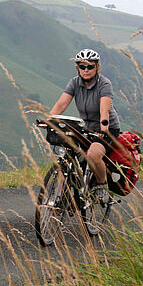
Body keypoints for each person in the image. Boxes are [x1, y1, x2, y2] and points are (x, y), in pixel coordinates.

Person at [48, 48, 120, 203]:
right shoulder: (74, 83)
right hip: (85, 126)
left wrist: (103, 129)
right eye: (82, 66)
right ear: (78, 68)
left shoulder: (104, 84)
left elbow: (104, 110)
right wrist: (49, 120)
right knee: (69, 153)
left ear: (97, 67)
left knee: (93, 155)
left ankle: (101, 185)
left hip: (107, 128)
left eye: (90, 66)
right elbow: (61, 104)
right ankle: (68, 189)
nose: (86, 70)